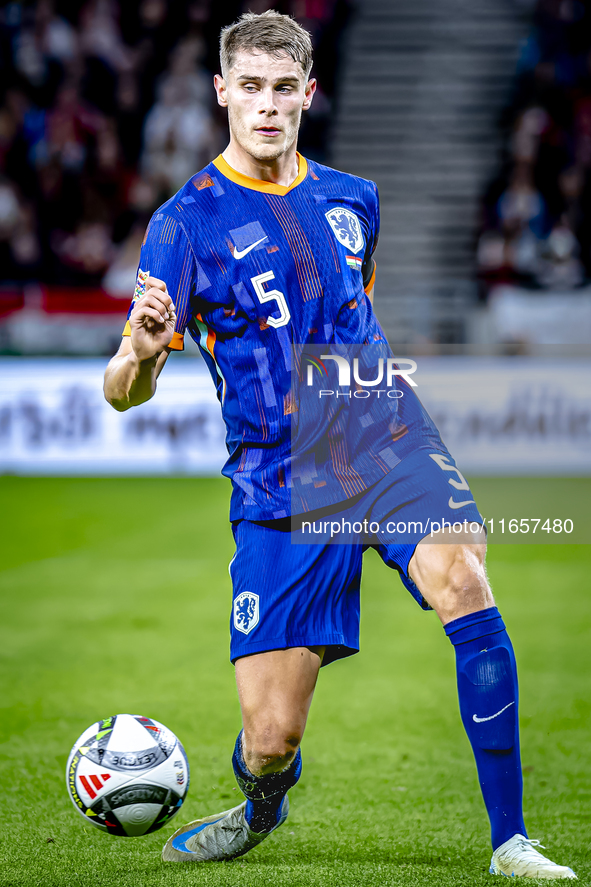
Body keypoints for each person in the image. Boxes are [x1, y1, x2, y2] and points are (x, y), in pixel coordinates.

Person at [103, 11, 576, 879]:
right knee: (272, 736)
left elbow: (356, 304)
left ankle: (510, 839)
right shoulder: (183, 225)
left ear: (309, 94)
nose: (268, 106)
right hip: (277, 479)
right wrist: (136, 350)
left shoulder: (354, 197)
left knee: (463, 575)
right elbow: (122, 394)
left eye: (284, 88)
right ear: (222, 94)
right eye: (250, 87)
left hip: (377, 429)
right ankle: (262, 800)